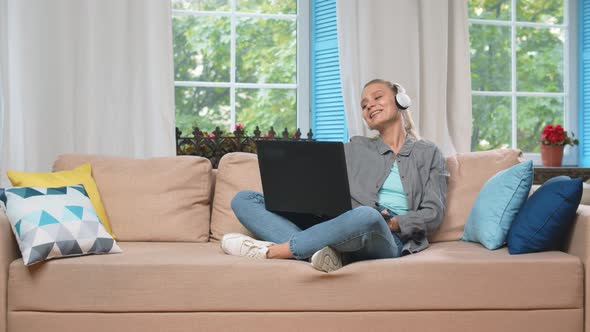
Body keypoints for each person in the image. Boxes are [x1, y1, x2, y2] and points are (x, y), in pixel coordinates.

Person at [221, 79, 448, 272]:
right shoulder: (354, 148)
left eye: (377, 98)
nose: (370, 106)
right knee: (243, 199)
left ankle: (271, 252)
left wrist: (393, 223)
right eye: (364, 105)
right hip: (340, 223)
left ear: (400, 100)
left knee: (367, 216)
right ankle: (321, 252)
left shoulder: (428, 153)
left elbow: (433, 214)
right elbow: (326, 188)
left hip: (388, 237)